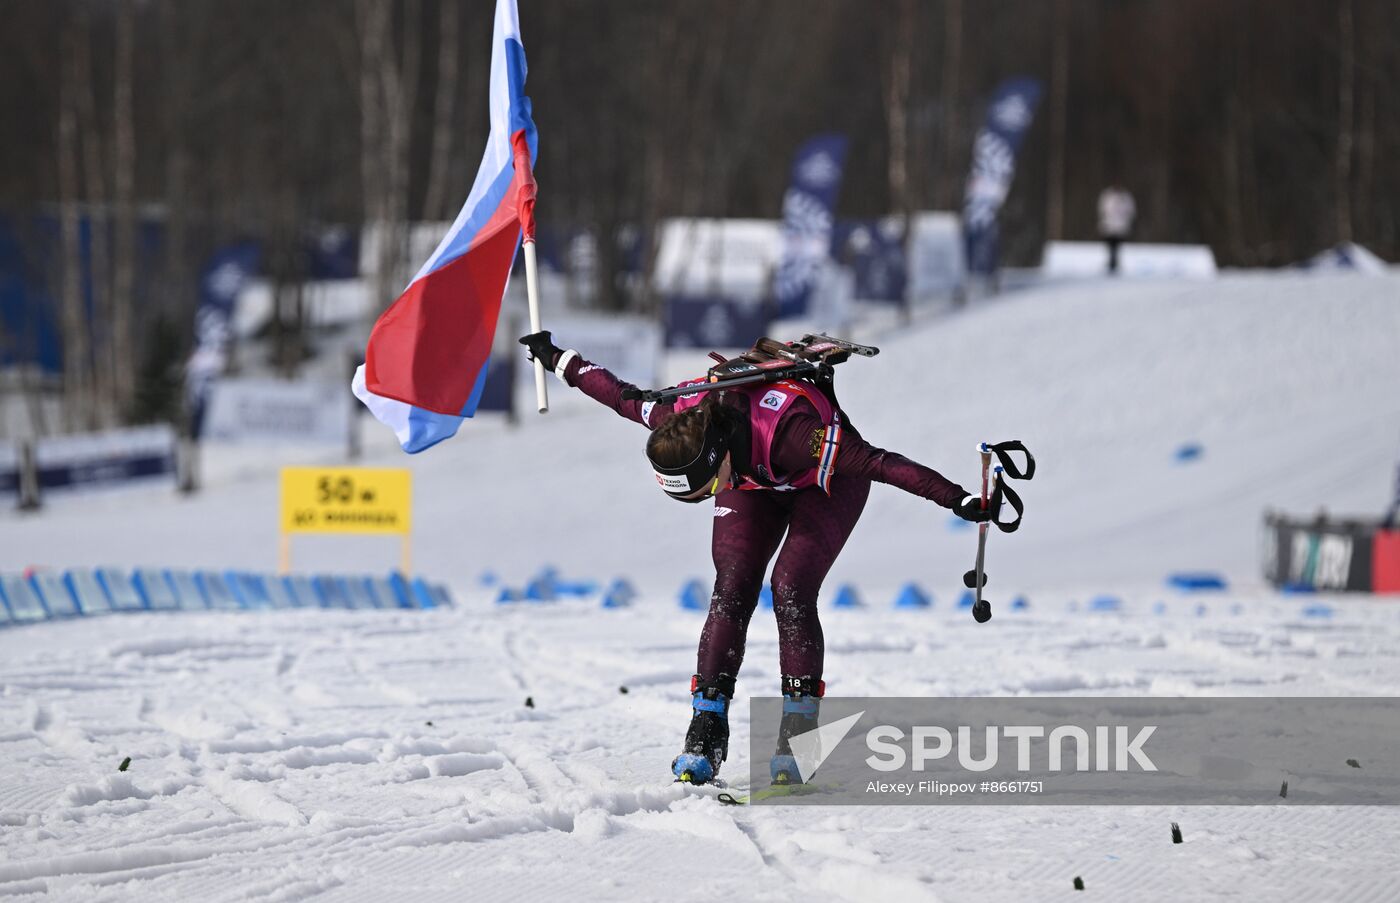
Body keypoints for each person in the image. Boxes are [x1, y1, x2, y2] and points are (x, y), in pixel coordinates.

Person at [519, 331, 995, 786]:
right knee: (732, 586)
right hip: (756, 479)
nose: (712, 497)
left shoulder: (794, 434)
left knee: (791, 587)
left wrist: (958, 499)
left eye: (709, 488)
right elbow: (620, 396)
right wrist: (557, 357)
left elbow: (878, 462)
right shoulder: (679, 417)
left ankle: (799, 739)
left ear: (716, 459)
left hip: (822, 482)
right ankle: (705, 734)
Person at [1097, 184, 1136, 275]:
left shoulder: (1125, 197)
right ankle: (1111, 263)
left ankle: (1114, 263)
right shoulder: (1107, 195)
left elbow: (1131, 210)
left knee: (1117, 246)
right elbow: (1102, 209)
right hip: (1109, 225)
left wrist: (1126, 220)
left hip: (1121, 225)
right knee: (1110, 245)